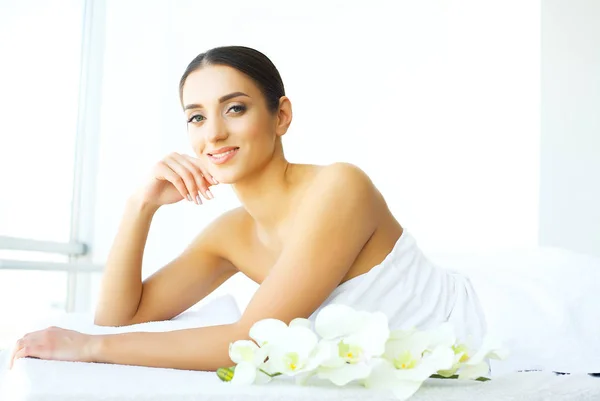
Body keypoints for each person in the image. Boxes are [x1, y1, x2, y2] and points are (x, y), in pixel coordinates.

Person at [9, 46, 486, 371]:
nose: (212, 133)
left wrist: (90, 349)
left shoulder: (340, 186)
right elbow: (118, 318)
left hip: (476, 329)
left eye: (234, 108)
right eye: (196, 116)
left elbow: (254, 339)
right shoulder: (230, 234)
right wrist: (141, 206)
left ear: (281, 116)